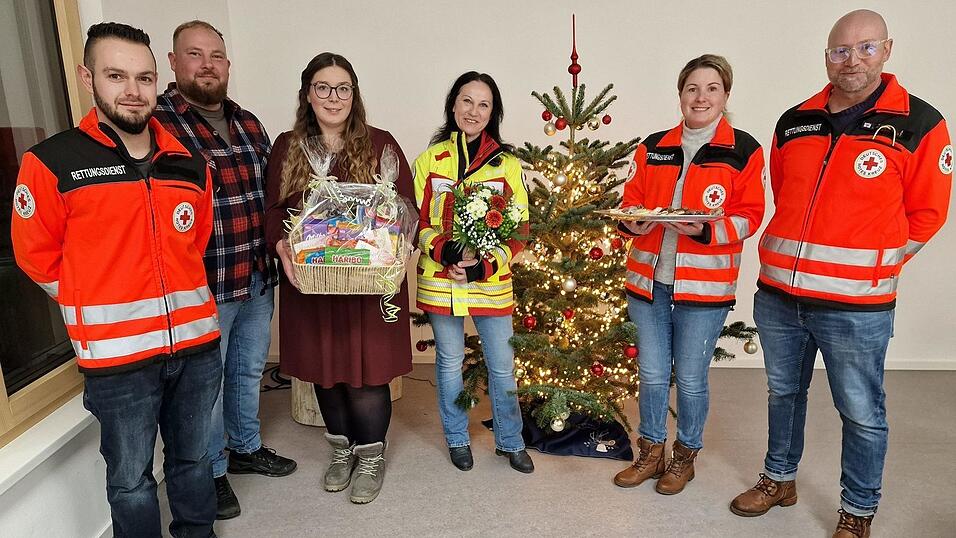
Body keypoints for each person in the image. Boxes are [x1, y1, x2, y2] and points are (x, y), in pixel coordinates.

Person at [730, 10, 951, 537]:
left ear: (887, 49)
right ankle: (778, 478)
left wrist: (882, 262)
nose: (851, 60)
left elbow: (928, 212)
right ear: (826, 55)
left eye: (865, 48)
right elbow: (786, 195)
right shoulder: (795, 120)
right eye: (839, 51)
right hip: (780, 294)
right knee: (783, 393)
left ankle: (858, 509)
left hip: (857, 305)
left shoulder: (920, 123)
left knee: (861, 412)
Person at [11, 22, 222, 537]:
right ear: (88, 78)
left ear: (158, 81)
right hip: (116, 360)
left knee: (193, 462)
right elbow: (36, 256)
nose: (133, 90)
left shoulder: (190, 164)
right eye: (116, 75)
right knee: (131, 481)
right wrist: (95, 294)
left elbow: (194, 244)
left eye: (144, 78)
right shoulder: (52, 162)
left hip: (196, 347)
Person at [152, 19, 296, 520]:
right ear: (173, 63)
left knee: (247, 369)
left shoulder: (250, 123)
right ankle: (211, 471)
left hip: (255, 274)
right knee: (204, 385)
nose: (207, 64)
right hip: (202, 283)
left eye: (216, 55)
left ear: (228, 64)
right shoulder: (158, 125)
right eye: (195, 54)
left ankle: (245, 446)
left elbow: (272, 196)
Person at [612, 55, 765, 495]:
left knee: (693, 377)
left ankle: (685, 456)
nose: (701, 97)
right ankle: (651, 452)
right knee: (653, 373)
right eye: (692, 88)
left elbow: (749, 217)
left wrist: (703, 229)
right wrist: (632, 222)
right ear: (680, 94)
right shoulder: (654, 145)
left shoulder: (744, 150)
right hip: (648, 281)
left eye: (711, 88)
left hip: (704, 286)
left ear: (725, 95)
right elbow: (632, 200)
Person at [264, 52, 413, 504]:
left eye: (343, 88)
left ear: (355, 95)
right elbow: (272, 213)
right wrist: (282, 246)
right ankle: (342, 449)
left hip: (369, 283)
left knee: (367, 376)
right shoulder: (287, 147)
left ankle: (371, 457)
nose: (334, 97)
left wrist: (403, 244)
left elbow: (408, 207)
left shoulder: (381, 143)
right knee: (325, 373)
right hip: (314, 282)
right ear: (308, 94)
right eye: (323, 87)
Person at [414, 71, 534, 474]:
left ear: (492, 113)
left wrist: (485, 265)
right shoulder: (430, 161)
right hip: (441, 278)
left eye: (484, 104)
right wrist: (442, 247)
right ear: (453, 104)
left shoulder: (508, 164)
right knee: (449, 361)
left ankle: (510, 441)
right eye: (467, 101)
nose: (474, 111)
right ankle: (456, 438)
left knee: (502, 364)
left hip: (491, 283)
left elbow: (519, 230)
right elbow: (413, 220)